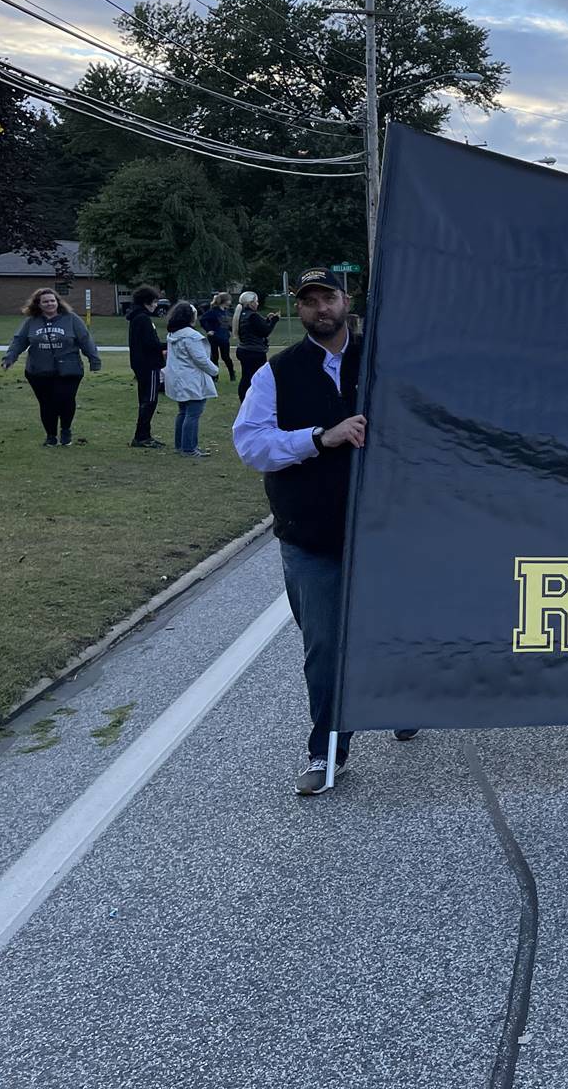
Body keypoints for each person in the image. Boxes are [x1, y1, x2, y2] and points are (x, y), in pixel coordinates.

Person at [233, 268, 413, 794]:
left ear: (345, 298)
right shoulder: (278, 373)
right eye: (308, 301)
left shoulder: (385, 360)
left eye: (327, 297)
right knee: (325, 644)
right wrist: (318, 437)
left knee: (392, 626)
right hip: (311, 532)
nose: (319, 309)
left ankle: (402, 700)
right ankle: (328, 751)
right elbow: (251, 445)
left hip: (386, 530)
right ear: (299, 309)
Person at [1, 288, 101, 446]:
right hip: (38, 370)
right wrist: (9, 358)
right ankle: (51, 435)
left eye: (52, 300)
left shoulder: (71, 319)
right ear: (38, 305)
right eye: (45, 301)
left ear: (58, 302)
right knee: (47, 404)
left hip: (69, 370)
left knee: (65, 399)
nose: (50, 304)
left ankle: (66, 429)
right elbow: (19, 341)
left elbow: (85, 340)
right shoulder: (31, 321)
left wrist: (94, 360)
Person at [164, 301, 221, 456]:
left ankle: (181, 446)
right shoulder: (191, 336)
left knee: (183, 411)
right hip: (191, 378)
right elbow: (200, 359)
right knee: (193, 413)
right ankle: (189, 448)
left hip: (179, 377)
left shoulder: (173, 334)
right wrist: (214, 370)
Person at [126, 286, 168, 449]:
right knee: (149, 400)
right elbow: (150, 343)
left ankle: (144, 434)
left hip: (141, 363)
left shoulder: (137, 317)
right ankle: (141, 436)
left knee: (145, 399)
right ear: (147, 302)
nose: (156, 305)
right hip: (148, 364)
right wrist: (167, 345)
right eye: (155, 301)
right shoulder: (142, 319)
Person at [233, 291, 279, 401]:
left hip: (243, 349)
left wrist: (267, 320)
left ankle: (244, 398)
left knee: (246, 376)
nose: (257, 304)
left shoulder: (240, 315)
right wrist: (274, 321)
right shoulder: (253, 315)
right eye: (256, 301)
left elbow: (255, 329)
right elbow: (265, 331)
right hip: (254, 351)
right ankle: (254, 398)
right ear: (251, 303)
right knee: (257, 377)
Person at [200, 291, 237, 382]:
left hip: (224, 337)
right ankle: (215, 376)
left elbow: (227, 324)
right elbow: (203, 319)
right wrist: (208, 330)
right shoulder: (213, 311)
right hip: (214, 337)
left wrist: (232, 331)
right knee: (214, 357)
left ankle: (232, 374)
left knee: (226, 357)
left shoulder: (227, 311)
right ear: (225, 301)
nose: (230, 301)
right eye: (229, 300)